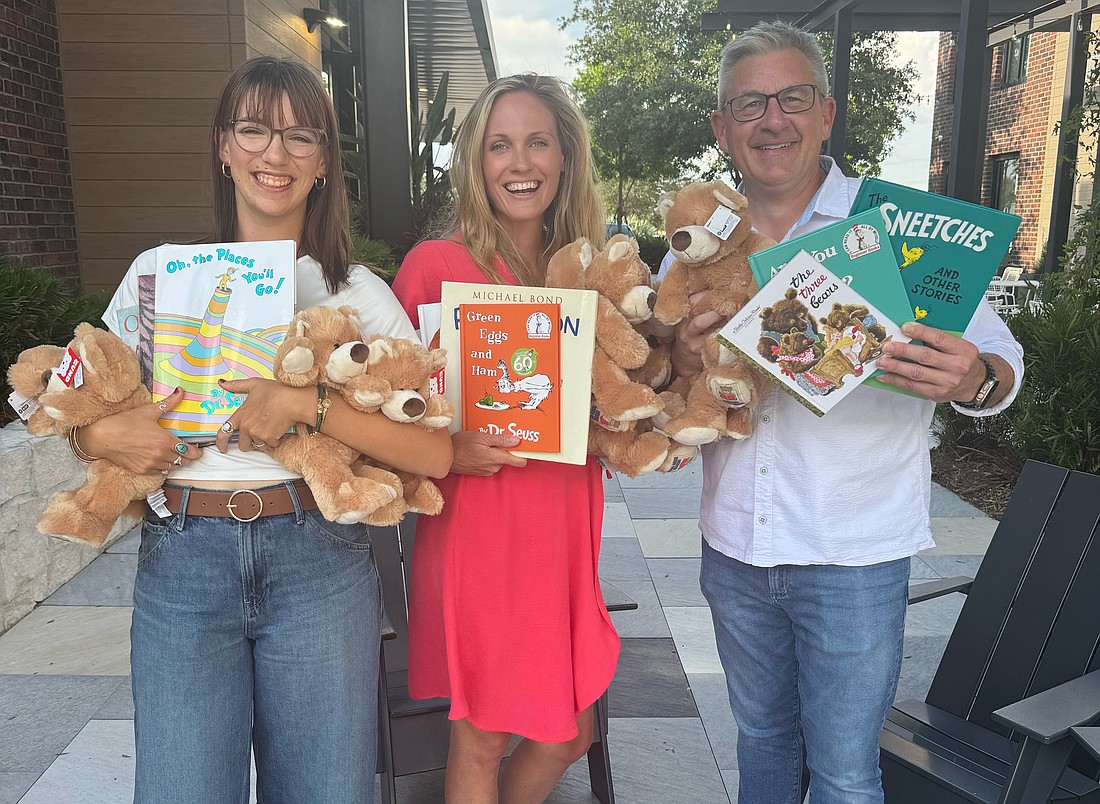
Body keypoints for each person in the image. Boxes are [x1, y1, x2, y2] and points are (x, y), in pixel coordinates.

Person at [76, 56, 452, 804]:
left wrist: (312, 408)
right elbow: (74, 404)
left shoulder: (356, 291)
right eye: (253, 130)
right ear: (223, 147)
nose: (274, 154)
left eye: (300, 136)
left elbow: (435, 451)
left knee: (326, 791)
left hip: (318, 557)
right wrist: (96, 440)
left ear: (324, 163)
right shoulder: (159, 276)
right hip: (184, 555)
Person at [671, 21, 1025, 804]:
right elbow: (670, 385)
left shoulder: (896, 229)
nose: (773, 120)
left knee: (844, 773)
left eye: (792, 98)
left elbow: (1001, 360)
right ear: (722, 128)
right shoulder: (699, 243)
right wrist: (682, 361)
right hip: (735, 547)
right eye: (750, 104)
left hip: (854, 557)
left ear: (827, 113)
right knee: (763, 746)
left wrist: (972, 379)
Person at [390, 73, 621, 803]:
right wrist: (447, 445)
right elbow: (389, 408)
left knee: (571, 732)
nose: (519, 164)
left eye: (537, 143)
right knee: (483, 736)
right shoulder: (434, 266)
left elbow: (624, 385)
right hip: (481, 528)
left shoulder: (589, 274)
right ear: (475, 162)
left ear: (564, 157)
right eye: (500, 146)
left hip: (565, 523)